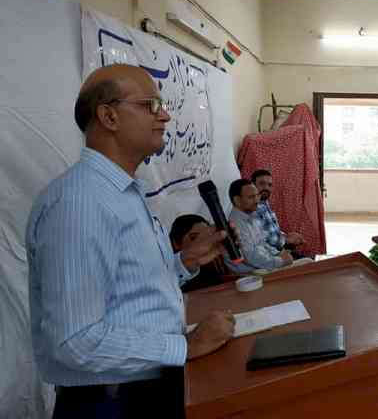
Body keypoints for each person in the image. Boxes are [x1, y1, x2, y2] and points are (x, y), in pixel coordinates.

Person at [26, 64, 235, 418]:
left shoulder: (122, 191)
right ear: (108, 116)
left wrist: (182, 262)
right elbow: (75, 340)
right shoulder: (81, 203)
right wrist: (185, 346)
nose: (165, 115)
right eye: (150, 105)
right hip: (110, 403)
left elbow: (124, 290)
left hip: (142, 391)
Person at [227, 179, 314, 272]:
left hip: (265, 266)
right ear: (237, 200)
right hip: (253, 274)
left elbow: (263, 243)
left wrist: (279, 253)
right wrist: (281, 261)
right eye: (251, 197)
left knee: (308, 263)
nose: (257, 200)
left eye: (257, 196)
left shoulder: (251, 216)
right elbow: (251, 258)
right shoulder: (235, 224)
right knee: (308, 264)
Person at [250, 168, 306, 256]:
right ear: (252, 185)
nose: (266, 188)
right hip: (271, 255)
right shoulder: (252, 208)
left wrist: (286, 235)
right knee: (309, 263)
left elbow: (271, 230)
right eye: (262, 183)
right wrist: (287, 240)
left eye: (269, 185)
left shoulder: (264, 202)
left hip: (280, 249)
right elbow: (263, 240)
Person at [170, 214, 227, 292]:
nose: (201, 243)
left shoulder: (212, 264)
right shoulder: (170, 276)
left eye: (205, 237)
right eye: (194, 238)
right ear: (176, 243)